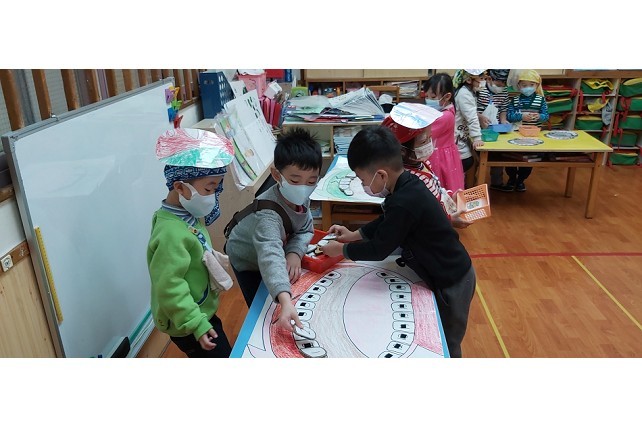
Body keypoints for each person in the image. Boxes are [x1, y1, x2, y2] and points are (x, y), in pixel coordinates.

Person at [320, 126, 476, 358]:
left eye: (362, 179)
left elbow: (379, 249)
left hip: (453, 280)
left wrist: (342, 250)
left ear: (381, 175)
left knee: (446, 340)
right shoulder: (405, 184)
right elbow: (387, 222)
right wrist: (353, 235)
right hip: (442, 271)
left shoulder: (405, 201)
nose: (362, 185)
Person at [147, 128, 235, 358]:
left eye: (216, 188)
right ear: (179, 187)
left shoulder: (185, 215)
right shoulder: (170, 233)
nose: (213, 195)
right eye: (209, 188)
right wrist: (196, 323)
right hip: (187, 321)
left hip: (199, 310)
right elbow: (169, 285)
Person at [225, 127, 322, 333]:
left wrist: (294, 252)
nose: (303, 188)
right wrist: (285, 301)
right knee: (262, 311)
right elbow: (270, 256)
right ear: (277, 175)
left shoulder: (301, 196)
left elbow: (305, 228)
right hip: (246, 259)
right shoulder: (267, 216)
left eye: (311, 181)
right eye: (295, 180)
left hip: (276, 246)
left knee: (278, 282)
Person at [382, 102, 471, 229]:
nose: (429, 144)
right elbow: (423, 216)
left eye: (430, 138)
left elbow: (436, 192)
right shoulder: (411, 180)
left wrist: (450, 197)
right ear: (402, 150)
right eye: (424, 141)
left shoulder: (422, 163)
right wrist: (449, 221)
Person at [505, 69, 550, 192]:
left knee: (529, 159)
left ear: (537, 85)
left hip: (533, 135)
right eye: (524, 85)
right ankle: (511, 178)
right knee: (512, 158)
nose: (527, 88)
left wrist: (539, 116)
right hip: (516, 133)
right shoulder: (515, 100)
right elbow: (509, 116)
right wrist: (521, 116)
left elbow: (546, 116)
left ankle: (521, 180)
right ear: (519, 86)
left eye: (531, 85)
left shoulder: (540, 100)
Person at [422, 73, 466, 194]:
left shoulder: (446, 116)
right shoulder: (444, 110)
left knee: (441, 188)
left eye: (433, 97)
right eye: (427, 96)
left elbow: (425, 134)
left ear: (447, 97)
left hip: (440, 156)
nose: (428, 100)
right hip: (441, 153)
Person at [476, 69, 512, 190]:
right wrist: (480, 117)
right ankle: (473, 184)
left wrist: (503, 121)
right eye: (499, 84)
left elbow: (503, 108)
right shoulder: (480, 89)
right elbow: (470, 109)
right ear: (489, 79)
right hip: (477, 126)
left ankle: (497, 183)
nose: (501, 87)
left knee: (497, 153)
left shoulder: (504, 91)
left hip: (495, 127)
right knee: (477, 156)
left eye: (504, 84)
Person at [453, 69, 486, 188]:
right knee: (465, 162)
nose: (483, 82)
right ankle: (458, 188)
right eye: (481, 79)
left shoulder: (468, 92)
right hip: (457, 136)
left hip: (462, 134)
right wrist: (477, 137)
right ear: (468, 80)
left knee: (468, 161)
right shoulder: (464, 94)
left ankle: (460, 186)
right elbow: (471, 117)